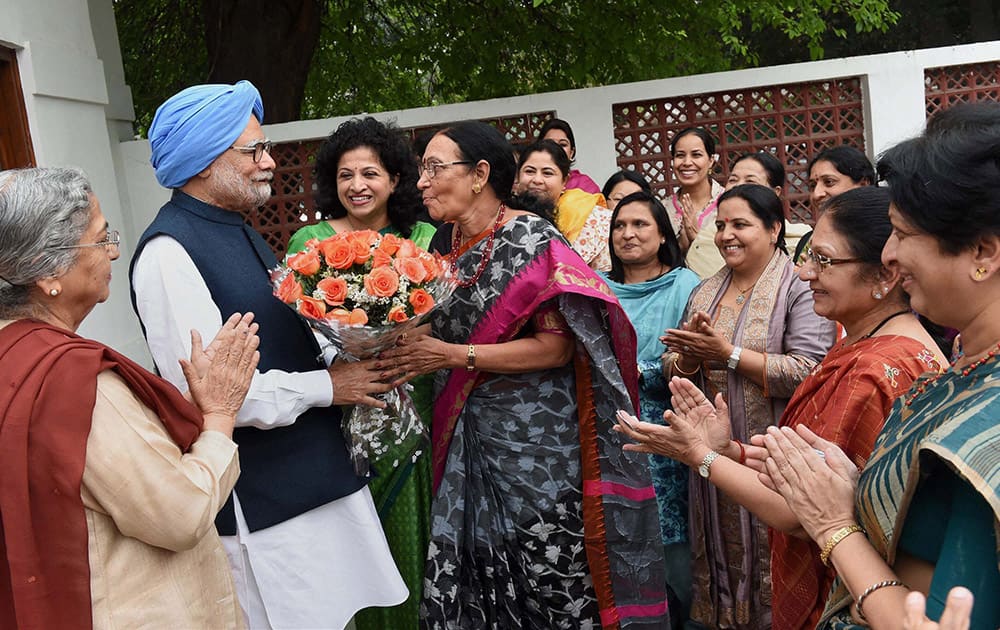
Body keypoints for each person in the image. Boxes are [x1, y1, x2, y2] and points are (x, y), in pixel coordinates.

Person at [130, 81, 407, 629]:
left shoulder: (236, 231)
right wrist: (333, 386)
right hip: (270, 510)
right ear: (205, 161)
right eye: (252, 150)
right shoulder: (167, 253)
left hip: (318, 482)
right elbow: (214, 396)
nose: (268, 162)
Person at [380, 121, 670, 628]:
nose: (421, 182)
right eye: (420, 169)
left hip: (537, 448)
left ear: (479, 175)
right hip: (468, 435)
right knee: (473, 570)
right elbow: (425, 328)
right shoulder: (442, 244)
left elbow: (555, 348)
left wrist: (452, 355)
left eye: (434, 168)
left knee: (551, 575)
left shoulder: (529, 237)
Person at [617, 187, 946, 629]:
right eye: (809, 256)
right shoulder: (867, 343)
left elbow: (799, 512)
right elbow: (803, 469)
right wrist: (729, 450)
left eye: (824, 261)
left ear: (885, 275)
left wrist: (701, 455)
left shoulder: (875, 368)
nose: (807, 272)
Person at [760, 102, 1000, 630]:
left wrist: (835, 526)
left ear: (982, 251)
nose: (888, 256)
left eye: (903, 233)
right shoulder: (965, 368)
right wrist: (863, 489)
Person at [0, 167, 260, 629]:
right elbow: (179, 512)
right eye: (101, 239)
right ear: (48, 270)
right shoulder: (72, 382)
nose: (115, 250)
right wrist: (219, 415)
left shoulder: (14, 358)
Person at [660, 183, 836, 628]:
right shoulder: (704, 291)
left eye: (740, 224)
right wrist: (688, 358)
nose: (726, 235)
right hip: (711, 452)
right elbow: (674, 364)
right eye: (720, 225)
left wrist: (729, 355)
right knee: (717, 549)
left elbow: (809, 369)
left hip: (771, 451)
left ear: (775, 229)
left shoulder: (797, 287)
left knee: (772, 551)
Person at [286, 116, 435, 630]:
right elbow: (298, 327)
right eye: (346, 175)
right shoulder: (311, 241)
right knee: (356, 525)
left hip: (413, 394)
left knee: (416, 518)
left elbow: (440, 315)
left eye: (370, 173)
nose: (357, 186)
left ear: (395, 178)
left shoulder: (422, 237)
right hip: (342, 401)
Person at [601, 190, 700, 624]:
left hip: (669, 430)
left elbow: (694, 359)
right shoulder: (596, 288)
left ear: (663, 234)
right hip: (606, 430)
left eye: (640, 224)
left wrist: (639, 372)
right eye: (620, 225)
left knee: (675, 549)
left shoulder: (686, 285)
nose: (628, 233)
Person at [515, 138, 612, 270]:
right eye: (529, 171)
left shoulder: (594, 219)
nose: (537, 180)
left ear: (564, 181)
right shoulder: (504, 218)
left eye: (547, 173)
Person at [793, 145, 874, 264]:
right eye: (812, 186)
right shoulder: (807, 242)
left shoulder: (884, 237)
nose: (816, 194)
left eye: (829, 182)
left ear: (863, 185)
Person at [667, 127, 727, 278]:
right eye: (680, 155)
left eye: (696, 155)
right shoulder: (662, 209)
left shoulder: (730, 202)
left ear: (711, 160)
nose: (687, 162)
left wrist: (697, 240)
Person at [726, 151, 811, 257]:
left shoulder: (801, 238)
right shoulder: (708, 235)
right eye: (733, 180)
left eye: (750, 181)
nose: (738, 186)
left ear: (775, 192)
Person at [539, 117, 601, 193]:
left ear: (571, 152)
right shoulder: (533, 182)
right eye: (550, 143)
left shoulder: (585, 185)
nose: (556, 148)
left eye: (563, 144)